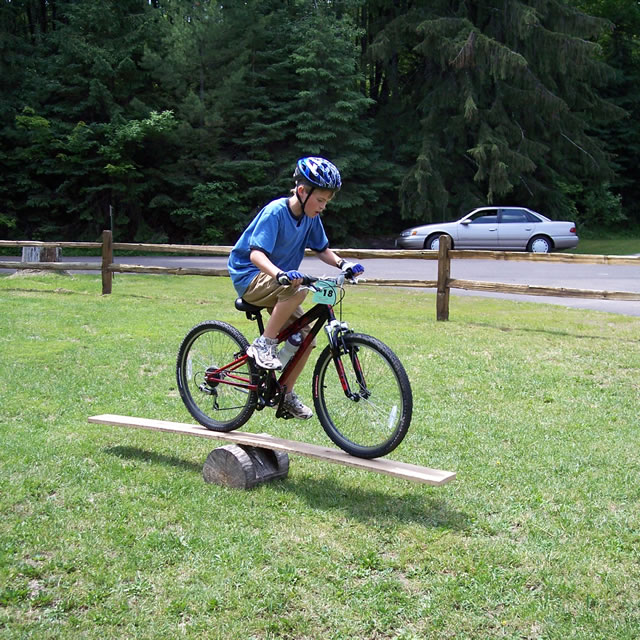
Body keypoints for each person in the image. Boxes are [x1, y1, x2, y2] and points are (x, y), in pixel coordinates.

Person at [227, 157, 364, 420]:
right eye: (320, 200)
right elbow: (256, 254)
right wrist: (280, 274)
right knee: (298, 289)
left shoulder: (311, 217)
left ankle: (285, 394)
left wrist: (343, 264)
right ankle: (263, 345)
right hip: (251, 276)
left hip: (282, 284)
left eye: (326, 202)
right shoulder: (276, 212)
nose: (323, 207)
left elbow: (322, 249)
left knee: (305, 339)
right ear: (302, 191)